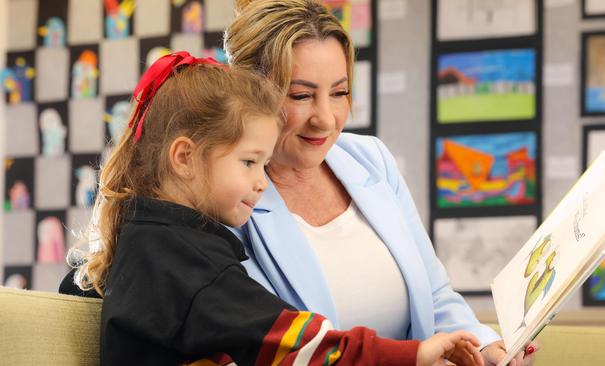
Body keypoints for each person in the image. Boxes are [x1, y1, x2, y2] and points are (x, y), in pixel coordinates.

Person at [65, 51, 485, 366]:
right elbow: (291, 339)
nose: (262, 182)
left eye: (341, 91)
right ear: (184, 158)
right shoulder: (182, 259)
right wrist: (411, 355)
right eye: (249, 162)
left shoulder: (151, 238)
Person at [224, 1, 537, 365]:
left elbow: (435, 295)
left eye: (340, 93)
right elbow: (279, 350)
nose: (326, 119)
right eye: (301, 96)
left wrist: (484, 347)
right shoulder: (227, 197)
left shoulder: (370, 158)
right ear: (248, 93)